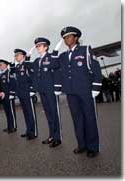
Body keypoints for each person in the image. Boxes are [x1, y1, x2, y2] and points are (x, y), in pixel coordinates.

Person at [55, 26, 102, 158]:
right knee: (77, 119)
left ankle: (93, 147)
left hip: (86, 90)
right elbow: (53, 65)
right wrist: (54, 50)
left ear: (76, 38)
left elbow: (96, 68)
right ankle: (82, 145)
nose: (66, 39)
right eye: (64, 37)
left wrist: (96, 87)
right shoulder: (63, 56)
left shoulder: (85, 50)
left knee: (90, 118)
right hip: (71, 92)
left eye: (69, 36)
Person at [29, 37, 62, 147]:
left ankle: (58, 137)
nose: (38, 47)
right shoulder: (38, 60)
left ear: (46, 47)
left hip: (51, 90)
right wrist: (28, 56)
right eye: (37, 46)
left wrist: (57, 87)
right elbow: (28, 68)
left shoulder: (50, 57)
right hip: (42, 91)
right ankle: (52, 135)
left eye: (40, 45)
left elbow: (57, 69)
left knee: (54, 113)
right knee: (48, 114)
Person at [10, 49, 38, 140]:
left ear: (23, 56)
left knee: (31, 113)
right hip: (21, 93)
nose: (15, 57)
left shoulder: (28, 64)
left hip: (27, 92)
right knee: (26, 113)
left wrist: (32, 89)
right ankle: (28, 131)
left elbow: (34, 77)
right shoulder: (18, 66)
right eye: (15, 55)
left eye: (17, 55)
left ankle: (33, 132)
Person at [0, 59, 17, 133]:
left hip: (9, 96)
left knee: (11, 112)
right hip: (4, 97)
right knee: (7, 112)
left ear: (5, 65)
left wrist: (12, 94)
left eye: (1, 64)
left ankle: (13, 127)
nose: (0, 66)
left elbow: (13, 83)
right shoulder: (2, 74)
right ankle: (9, 126)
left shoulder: (9, 73)